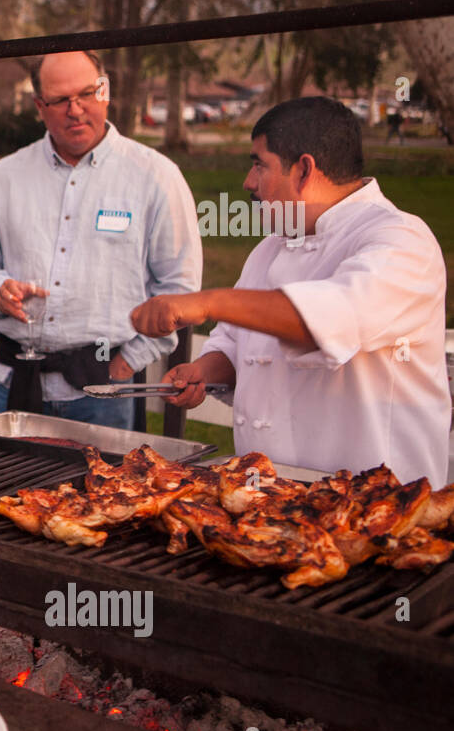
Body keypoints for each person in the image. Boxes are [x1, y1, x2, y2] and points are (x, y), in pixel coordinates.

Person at [132, 96, 450, 485]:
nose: (248, 183)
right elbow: (236, 345)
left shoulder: (400, 241)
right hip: (274, 496)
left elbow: (322, 321)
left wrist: (205, 301)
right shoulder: (272, 247)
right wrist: (204, 371)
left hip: (378, 505)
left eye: (259, 165)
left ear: (303, 170)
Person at [0, 50, 202, 429]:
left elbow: (179, 290)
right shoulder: (3, 178)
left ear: (105, 91)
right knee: (1, 489)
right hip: (15, 384)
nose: (75, 110)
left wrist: (128, 362)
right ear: (40, 105)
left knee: (106, 491)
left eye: (86, 94)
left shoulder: (156, 178)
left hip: (105, 392)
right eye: (59, 100)